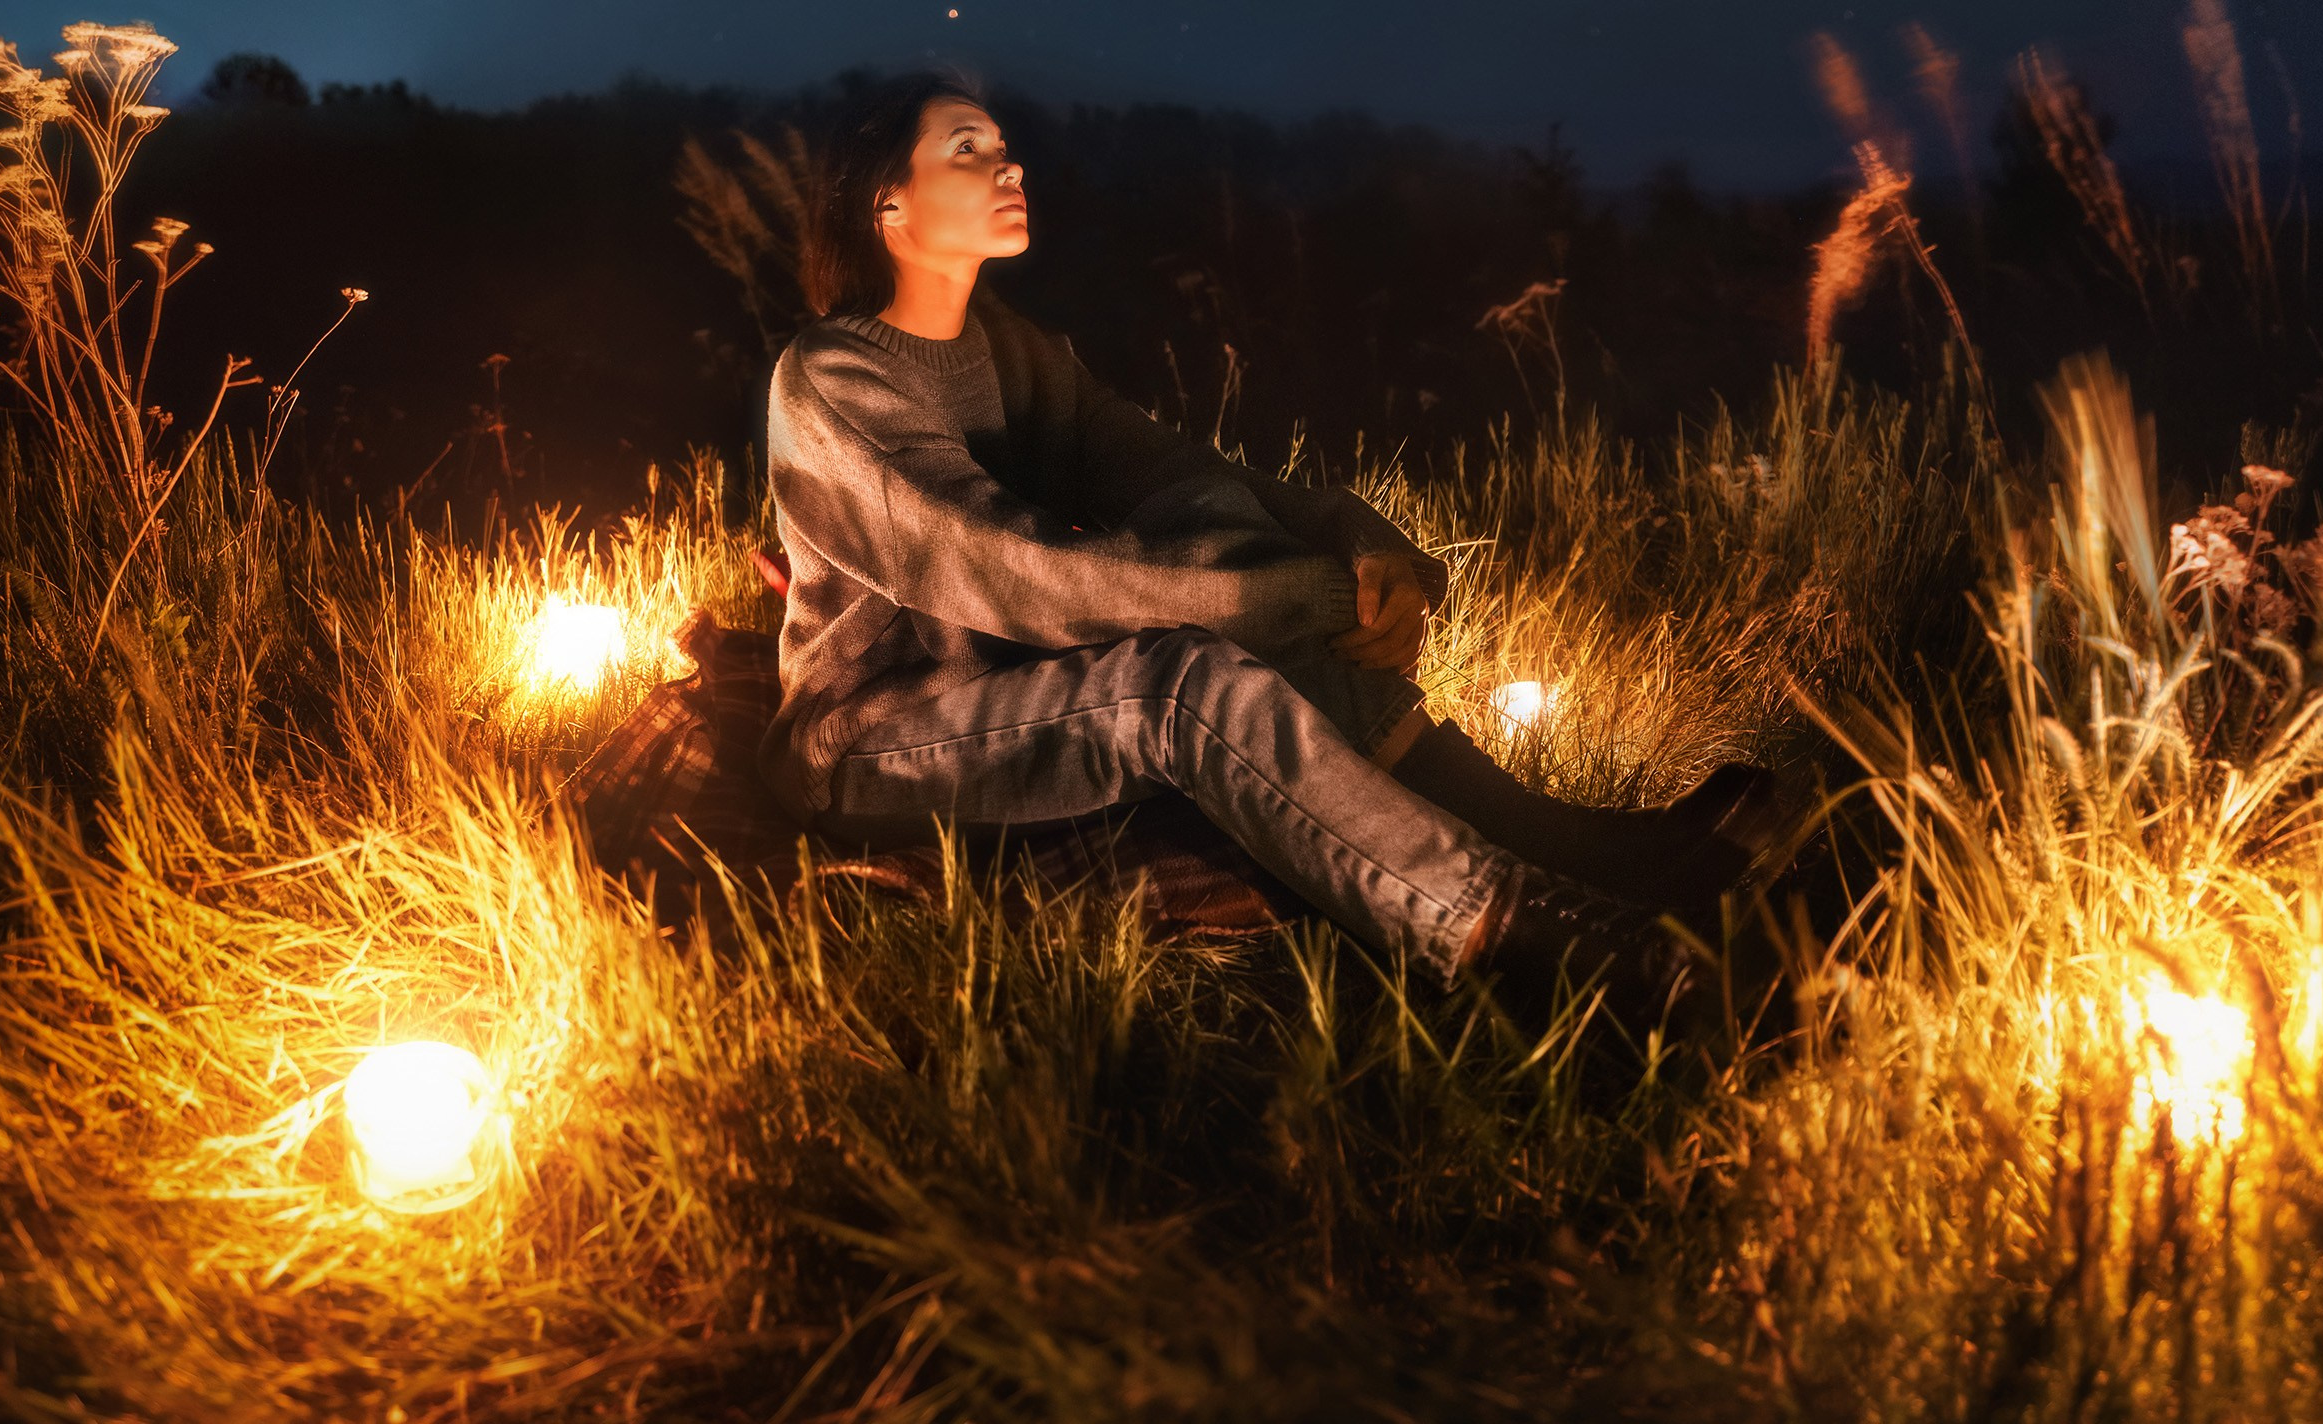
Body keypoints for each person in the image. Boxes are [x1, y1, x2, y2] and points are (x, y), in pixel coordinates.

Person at [760, 73, 1776, 1010]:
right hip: (878, 737)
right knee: (1180, 679)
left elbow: (1171, 469)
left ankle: (1592, 855)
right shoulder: (832, 378)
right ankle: (1558, 944)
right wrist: (1282, 592)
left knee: (1227, 553)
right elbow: (1015, 569)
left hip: (1020, 695)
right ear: (885, 205)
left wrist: (1352, 539)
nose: (1009, 163)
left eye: (1004, 144)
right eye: (967, 147)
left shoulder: (1012, 349)